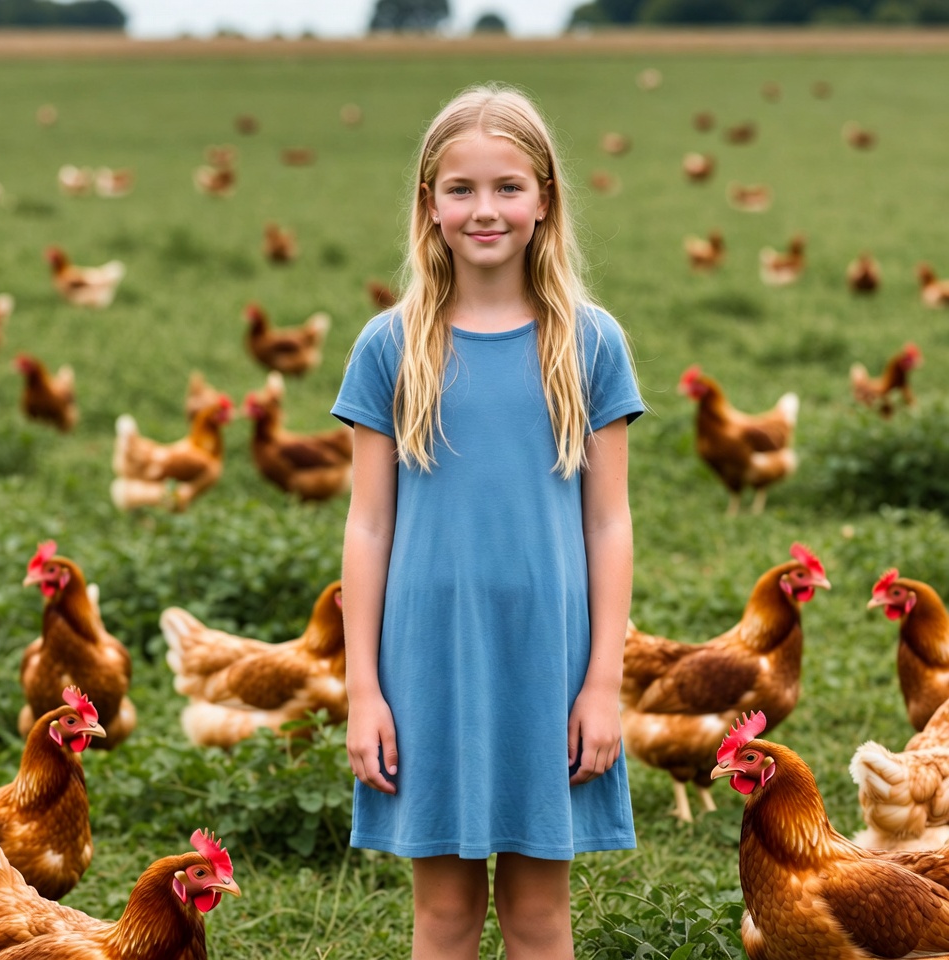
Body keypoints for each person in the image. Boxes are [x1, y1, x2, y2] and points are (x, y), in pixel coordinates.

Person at [332, 83, 644, 960]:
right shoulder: (390, 347)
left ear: (545, 199)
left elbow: (609, 526)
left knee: (541, 916)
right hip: (429, 660)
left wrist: (603, 684)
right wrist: (364, 691)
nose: (485, 209)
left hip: (549, 657)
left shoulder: (589, 343)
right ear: (429, 206)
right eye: (460, 189)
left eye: (508, 186)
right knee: (443, 916)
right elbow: (368, 528)